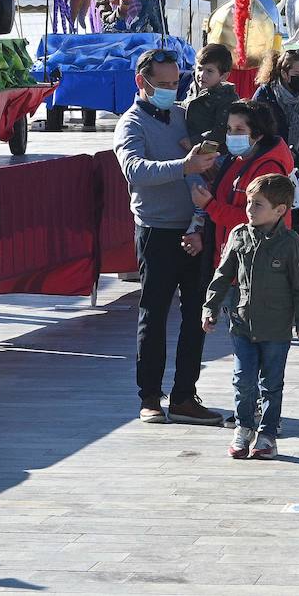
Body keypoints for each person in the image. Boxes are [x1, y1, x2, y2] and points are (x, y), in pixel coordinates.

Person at [115, 48, 223, 426]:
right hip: (157, 230)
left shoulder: (182, 115)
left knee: (197, 314)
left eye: (175, 83)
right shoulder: (130, 124)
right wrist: (185, 165)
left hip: (195, 227)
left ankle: (184, 395)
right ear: (140, 83)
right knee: (154, 314)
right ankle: (149, 396)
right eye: (161, 84)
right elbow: (135, 170)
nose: (170, 90)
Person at [202, 174, 299, 460]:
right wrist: (210, 307)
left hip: (276, 327)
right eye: (250, 202)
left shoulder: (289, 242)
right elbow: (222, 275)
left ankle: (267, 434)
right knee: (243, 380)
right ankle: (244, 428)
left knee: (271, 383)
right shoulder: (238, 235)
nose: (250, 208)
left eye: (258, 204)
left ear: (280, 210)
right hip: (241, 324)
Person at [191, 100, 295, 267]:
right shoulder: (236, 160)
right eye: (229, 129)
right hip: (228, 262)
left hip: (251, 268)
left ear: (258, 133)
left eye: (239, 129)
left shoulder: (269, 168)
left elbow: (259, 219)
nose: (231, 135)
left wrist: (209, 205)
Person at [254, 48, 299, 233]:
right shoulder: (266, 93)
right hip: (272, 163)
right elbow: (254, 127)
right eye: (296, 74)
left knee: (294, 220)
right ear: (284, 73)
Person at [183, 43, 239, 146]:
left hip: (214, 152)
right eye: (199, 69)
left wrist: (195, 141)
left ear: (224, 76)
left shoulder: (226, 98)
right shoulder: (194, 88)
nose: (202, 75)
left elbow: (221, 131)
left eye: (209, 71)